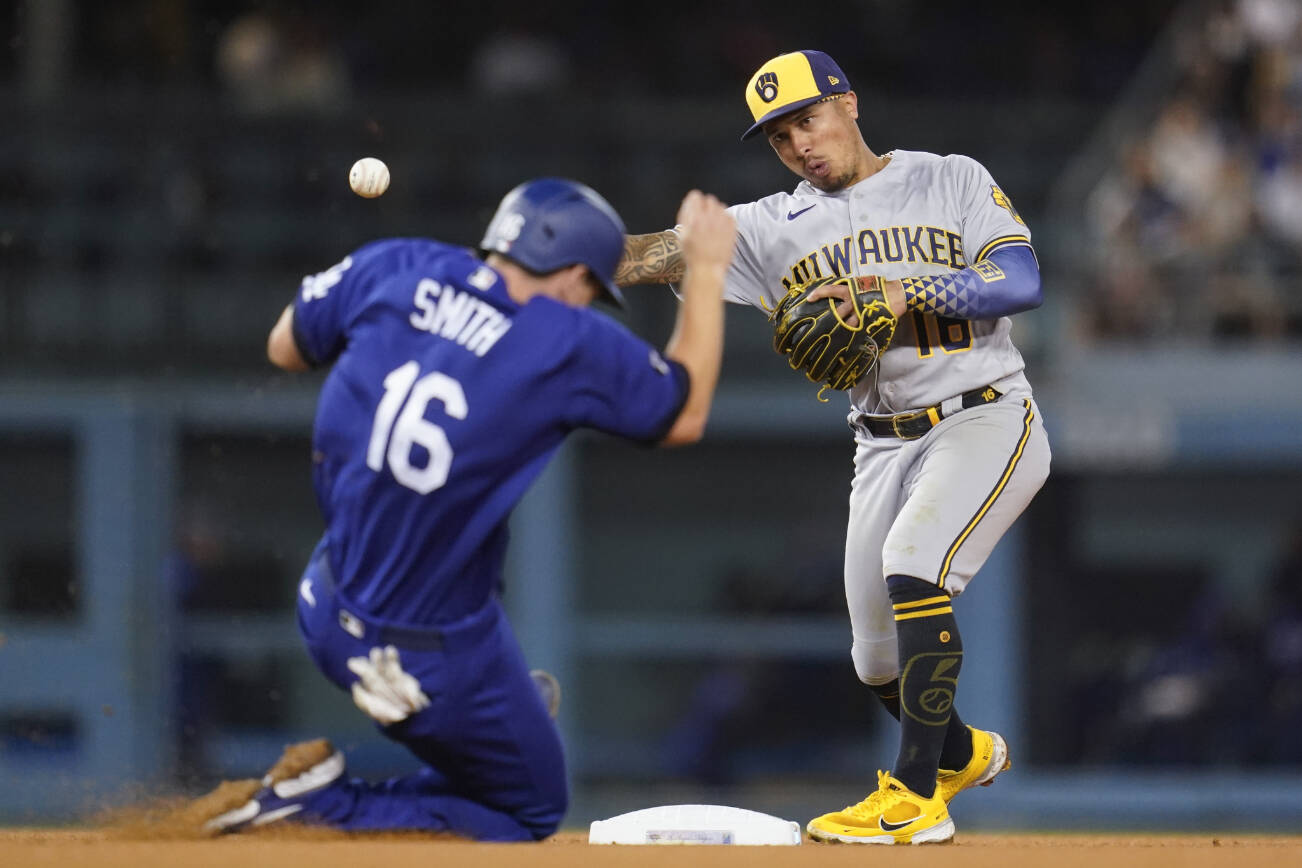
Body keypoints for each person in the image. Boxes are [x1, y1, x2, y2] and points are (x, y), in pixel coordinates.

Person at [188, 179, 737, 841]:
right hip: (419, 652)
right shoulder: (564, 338)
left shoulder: (396, 262)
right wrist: (705, 269)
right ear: (570, 273)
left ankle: (501, 714)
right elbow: (685, 413)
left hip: (325, 599)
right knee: (526, 808)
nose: (590, 300)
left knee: (470, 567)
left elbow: (284, 345)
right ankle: (323, 804)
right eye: (593, 286)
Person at [616, 50, 1051, 845]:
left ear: (848, 102)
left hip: (984, 413)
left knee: (915, 565)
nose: (799, 145)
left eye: (807, 120)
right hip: (879, 443)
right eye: (779, 137)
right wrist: (548, 256)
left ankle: (915, 799)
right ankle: (960, 753)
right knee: (874, 659)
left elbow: (1020, 281)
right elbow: (654, 255)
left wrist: (904, 288)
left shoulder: (949, 178)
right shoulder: (770, 227)